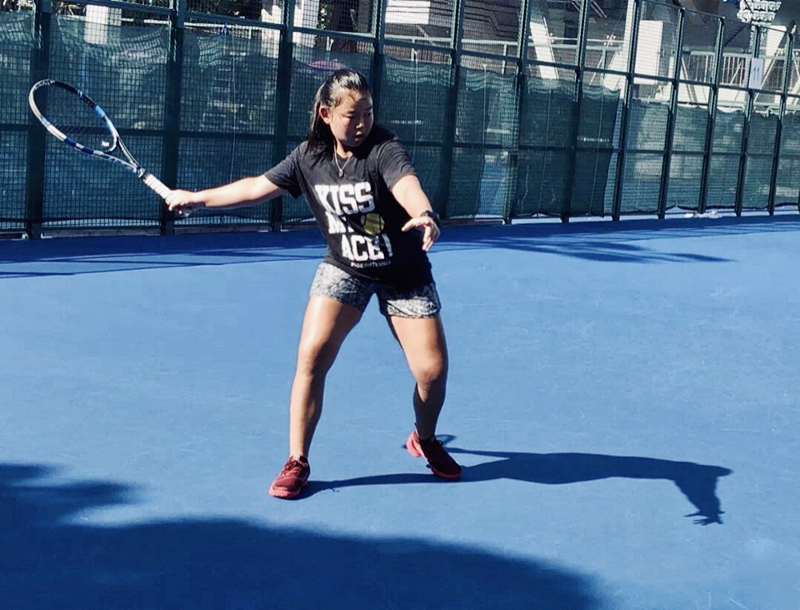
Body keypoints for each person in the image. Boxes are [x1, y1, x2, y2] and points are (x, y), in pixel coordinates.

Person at [166, 68, 461, 499]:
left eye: (368, 112)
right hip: (346, 267)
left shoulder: (384, 148)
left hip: (405, 273)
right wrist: (197, 198)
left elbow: (406, 184)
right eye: (351, 115)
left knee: (431, 373)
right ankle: (297, 459)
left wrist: (425, 213)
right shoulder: (308, 158)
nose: (362, 123)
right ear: (326, 114)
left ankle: (425, 438)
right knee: (312, 356)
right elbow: (256, 188)